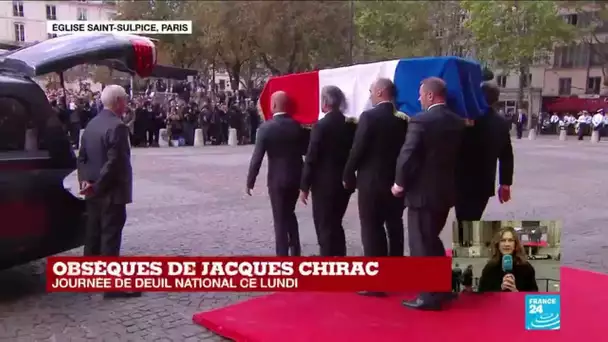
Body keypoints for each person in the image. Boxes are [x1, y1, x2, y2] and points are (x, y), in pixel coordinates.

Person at [392, 77, 465, 310]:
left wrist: (399, 183)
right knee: (432, 241)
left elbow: (408, 154)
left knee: (421, 244)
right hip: (445, 192)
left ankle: (428, 295)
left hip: (422, 194)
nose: (419, 98)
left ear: (431, 96)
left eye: (421, 94)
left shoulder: (421, 120)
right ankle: (444, 287)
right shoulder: (457, 121)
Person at [343, 78, 407, 297]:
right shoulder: (403, 120)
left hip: (371, 183)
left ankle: (376, 282)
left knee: (371, 229)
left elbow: (358, 148)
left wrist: (348, 172)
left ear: (380, 92)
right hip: (396, 182)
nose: (370, 95)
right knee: (395, 226)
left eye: (371, 91)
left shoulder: (369, 117)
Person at [77, 85, 140, 299]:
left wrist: (86, 181)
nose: (126, 105)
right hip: (110, 193)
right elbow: (115, 164)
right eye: (125, 101)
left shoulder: (92, 124)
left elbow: (82, 157)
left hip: (93, 191)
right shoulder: (118, 127)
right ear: (119, 102)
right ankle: (111, 286)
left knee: (93, 234)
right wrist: (98, 184)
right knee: (110, 237)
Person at [246, 91, 307, 256]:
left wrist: (250, 181)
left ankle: (282, 256)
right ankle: (296, 249)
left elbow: (257, 158)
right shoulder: (297, 126)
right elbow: (306, 150)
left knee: (279, 219)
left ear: (273, 105)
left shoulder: (266, 128)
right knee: (290, 213)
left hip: (277, 180)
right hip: (296, 177)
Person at [455, 81, 513, 246]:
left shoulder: (468, 119)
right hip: (484, 182)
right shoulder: (501, 122)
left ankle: (466, 254)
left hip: (462, 180)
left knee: (464, 222)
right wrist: (505, 183)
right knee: (473, 220)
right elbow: (507, 154)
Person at [300, 86, 356, 256]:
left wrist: (304, 185)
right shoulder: (351, 125)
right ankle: (340, 255)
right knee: (336, 222)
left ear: (325, 102)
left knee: (324, 225)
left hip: (324, 184)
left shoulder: (321, 126)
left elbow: (311, 157)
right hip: (344, 182)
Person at [477, 227, 538, 292]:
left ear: (515, 244)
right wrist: (500, 290)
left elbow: (533, 298)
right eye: (503, 240)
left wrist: (516, 293)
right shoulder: (489, 268)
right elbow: (481, 298)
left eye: (510, 240)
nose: (507, 244)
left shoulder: (526, 268)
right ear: (498, 244)